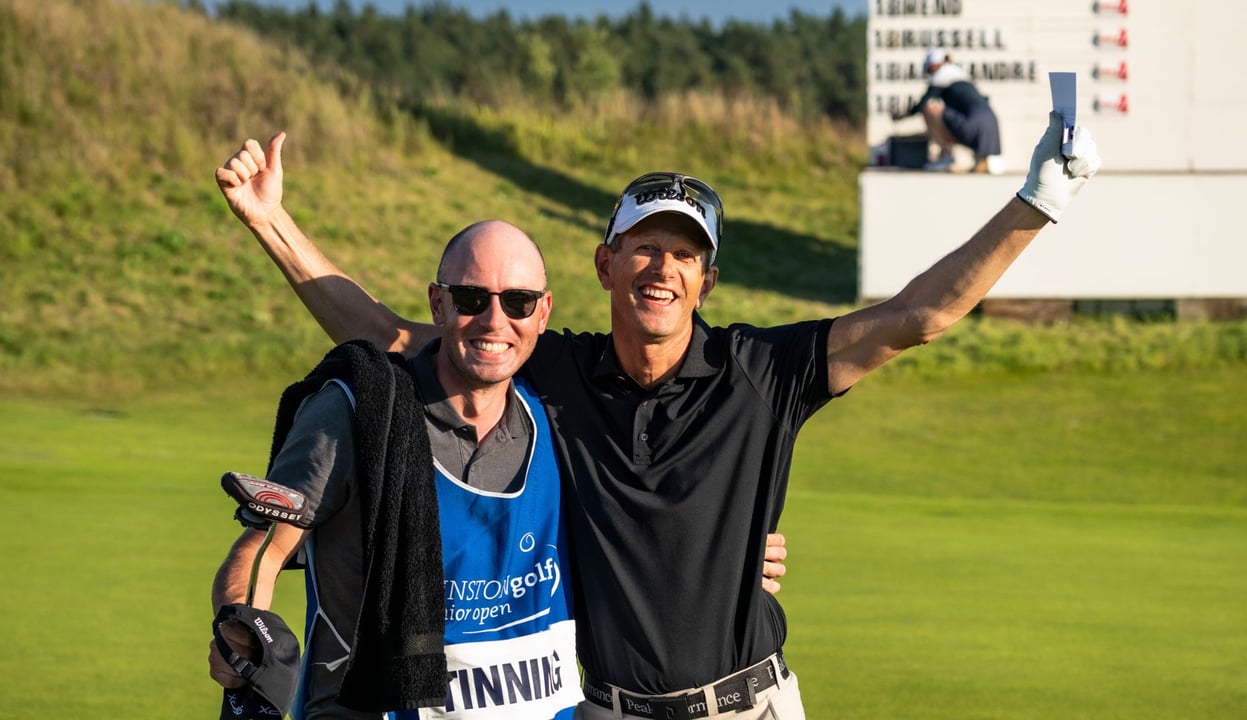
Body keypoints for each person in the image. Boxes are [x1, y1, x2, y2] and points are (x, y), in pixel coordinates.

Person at [220, 114, 1099, 719]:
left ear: (706, 280)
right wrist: (273, 221)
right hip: (604, 708)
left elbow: (917, 317)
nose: (662, 268)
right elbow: (396, 334)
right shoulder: (548, 367)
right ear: (606, 264)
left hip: (746, 703)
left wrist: (1035, 206)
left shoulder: (762, 372)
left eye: (685, 254)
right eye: (645, 246)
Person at [208, 147, 790, 720]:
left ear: (541, 313)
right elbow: (264, 543)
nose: (494, 322)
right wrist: (242, 630)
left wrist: (725, 551)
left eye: (516, 302)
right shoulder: (364, 411)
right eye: (470, 299)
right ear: (438, 303)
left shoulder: (560, 412)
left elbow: (640, 521)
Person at [892, 48, 1003, 174]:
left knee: (930, 109)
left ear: (934, 65)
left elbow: (923, 104)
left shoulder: (942, 74)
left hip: (972, 126)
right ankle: (980, 159)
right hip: (990, 125)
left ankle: (946, 155)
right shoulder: (959, 74)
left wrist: (903, 115)